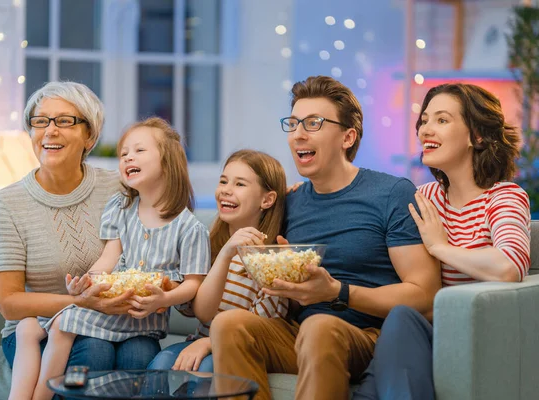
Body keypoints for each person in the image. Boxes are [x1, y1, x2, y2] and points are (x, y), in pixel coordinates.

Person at [208, 76, 442, 400]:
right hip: (302, 333)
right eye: (293, 124)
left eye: (313, 123)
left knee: (319, 326)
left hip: (370, 335)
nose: (298, 134)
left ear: (348, 136)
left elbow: (425, 295)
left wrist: (338, 291)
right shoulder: (290, 203)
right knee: (229, 325)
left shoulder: (391, 193)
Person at [9, 117, 211, 399]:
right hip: (110, 304)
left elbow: (193, 283)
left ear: (168, 161)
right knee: (41, 327)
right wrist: (87, 282)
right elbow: (109, 257)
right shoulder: (120, 206)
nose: (128, 157)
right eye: (123, 153)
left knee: (56, 326)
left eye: (139, 150)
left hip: (143, 318)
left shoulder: (190, 228)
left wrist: (164, 299)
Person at [353, 83, 531, 400]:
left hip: (473, 337)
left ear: (476, 136)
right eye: (424, 120)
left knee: (400, 318)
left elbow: (510, 266)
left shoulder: (503, 197)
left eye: (442, 120)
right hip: (418, 336)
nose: (425, 130)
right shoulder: (426, 197)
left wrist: (440, 248)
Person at [0, 81, 147, 398]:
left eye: (65, 121)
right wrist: (79, 302)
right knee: (96, 350)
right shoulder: (8, 203)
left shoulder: (120, 188)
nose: (50, 131)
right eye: (40, 121)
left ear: (90, 135)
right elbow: (9, 302)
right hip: (37, 329)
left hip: (113, 320)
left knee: (138, 351)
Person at [147, 149, 289, 372]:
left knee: (203, 370)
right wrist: (176, 288)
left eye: (240, 184)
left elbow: (261, 327)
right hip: (199, 341)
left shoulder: (272, 261)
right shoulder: (207, 243)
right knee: (160, 365)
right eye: (223, 181)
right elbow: (198, 311)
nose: (226, 191)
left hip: (235, 348)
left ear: (267, 199)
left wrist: (208, 343)